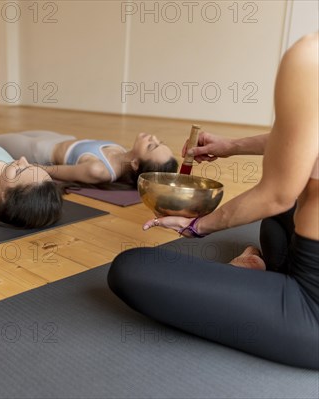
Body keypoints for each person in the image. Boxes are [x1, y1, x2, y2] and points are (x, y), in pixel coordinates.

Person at [108, 33, 319, 369]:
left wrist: (196, 226)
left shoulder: (311, 56)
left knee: (131, 268)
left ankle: (270, 284)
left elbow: (277, 195)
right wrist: (230, 146)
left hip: (313, 310)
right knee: (277, 227)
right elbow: (306, 133)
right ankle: (267, 276)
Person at [0, 128, 178, 187]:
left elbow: (55, 171)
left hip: (39, 151)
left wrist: (21, 167)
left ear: (136, 163)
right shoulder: (121, 150)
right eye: (158, 142)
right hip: (56, 138)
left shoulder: (100, 170)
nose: (153, 138)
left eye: (152, 146)